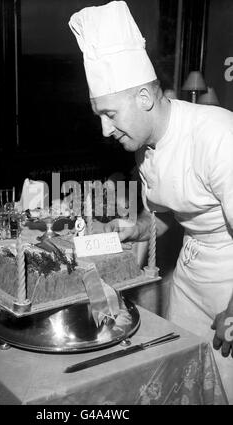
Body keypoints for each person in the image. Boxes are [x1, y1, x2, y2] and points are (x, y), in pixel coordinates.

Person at [69, 0, 233, 403]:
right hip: (191, 276)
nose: (105, 130)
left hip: (229, 278)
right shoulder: (143, 144)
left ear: (144, 97)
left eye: (109, 113)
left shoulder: (218, 136)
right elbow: (164, 215)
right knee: (182, 375)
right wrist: (137, 226)